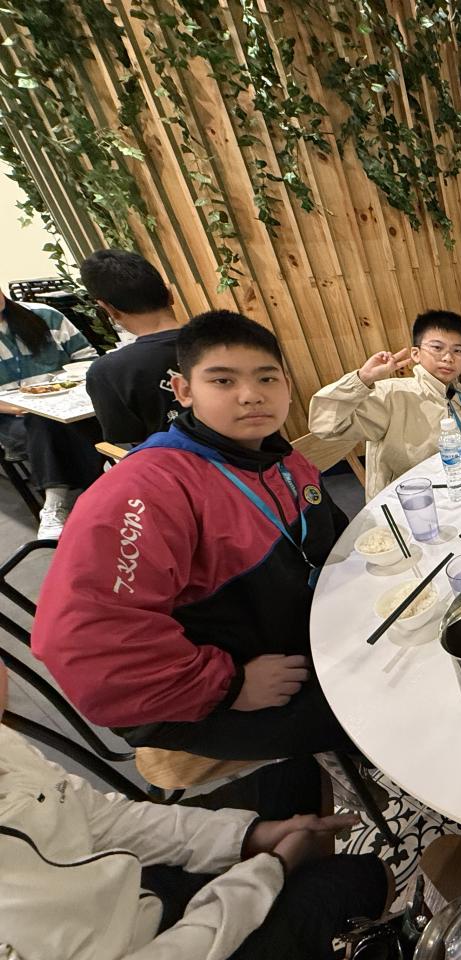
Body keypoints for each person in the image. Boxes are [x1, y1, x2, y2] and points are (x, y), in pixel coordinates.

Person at [32, 310, 355, 765]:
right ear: (183, 390)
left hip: (298, 631)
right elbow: (85, 647)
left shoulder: (280, 458)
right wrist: (229, 685)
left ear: (286, 385)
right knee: (385, 701)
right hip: (214, 687)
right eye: (222, 381)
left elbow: (333, 542)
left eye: (266, 378)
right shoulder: (145, 489)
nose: (251, 395)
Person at [0, 665, 388, 960]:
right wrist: (271, 868)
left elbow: (103, 817)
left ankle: (304, 902)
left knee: (297, 776)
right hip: (144, 946)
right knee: (364, 879)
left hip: (125, 892)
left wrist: (248, 837)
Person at [309, 309, 461, 499]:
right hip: (402, 501)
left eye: (457, 350)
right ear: (416, 353)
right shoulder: (391, 394)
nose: (448, 358)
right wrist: (362, 379)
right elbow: (323, 424)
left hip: (451, 490)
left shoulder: (454, 391)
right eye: (437, 348)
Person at [0, 288, 102, 538]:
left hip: (73, 403)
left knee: (65, 423)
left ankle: (70, 502)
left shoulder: (45, 316)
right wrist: (15, 407)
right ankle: (69, 500)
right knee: (43, 420)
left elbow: (88, 359)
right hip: (12, 418)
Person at [81, 248, 184, 445]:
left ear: (107, 308)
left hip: (174, 461)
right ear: (170, 293)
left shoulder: (107, 371)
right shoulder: (230, 338)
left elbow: (125, 441)